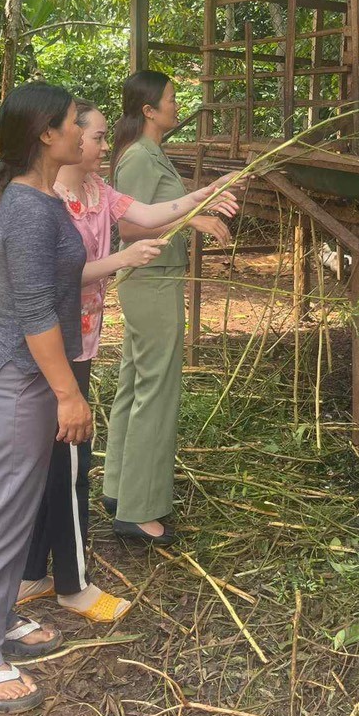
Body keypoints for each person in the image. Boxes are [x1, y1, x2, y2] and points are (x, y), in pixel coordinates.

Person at [0, 85, 236, 713]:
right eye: (75, 127)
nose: (90, 136)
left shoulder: (41, 201)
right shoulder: (28, 210)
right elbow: (32, 312)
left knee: (18, 510)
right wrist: (67, 395)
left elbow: (58, 280)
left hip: (29, 379)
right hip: (18, 382)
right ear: (47, 137)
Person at [103, 70, 235, 545]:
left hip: (153, 281)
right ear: (149, 110)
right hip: (151, 281)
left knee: (135, 384)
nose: (178, 106)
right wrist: (194, 218)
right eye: (172, 100)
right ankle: (139, 511)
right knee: (156, 391)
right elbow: (131, 229)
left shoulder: (148, 152)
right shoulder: (139, 156)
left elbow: (160, 209)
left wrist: (208, 199)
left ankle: (119, 489)